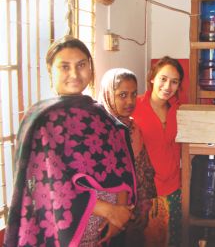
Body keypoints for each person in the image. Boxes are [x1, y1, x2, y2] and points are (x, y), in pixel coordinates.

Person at [4, 36, 136, 247]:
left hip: (105, 229)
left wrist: (119, 212)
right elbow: (47, 183)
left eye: (81, 65)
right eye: (64, 67)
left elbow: (121, 164)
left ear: (91, 68)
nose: (74, 74)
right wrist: (108, 210)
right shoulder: (42, 118)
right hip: (66, 228)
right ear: (51, 72)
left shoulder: (100, 113)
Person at [98, 68, 157, 247]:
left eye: (133, 94)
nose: (130, 101)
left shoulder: (132, 128)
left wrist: (144, 206)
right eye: (122, 95)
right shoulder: (98, 130)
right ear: (108, 94)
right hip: (105, 213)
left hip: (132, 210)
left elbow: (143, 169)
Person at [132, 56, 184, 247]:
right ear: (152, 78)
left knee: (172, 241)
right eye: (163, 79)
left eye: (174, 82)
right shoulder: (134, 106)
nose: (167, 86)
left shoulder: (178, 111)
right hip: (143, 191)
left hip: (173, 189)